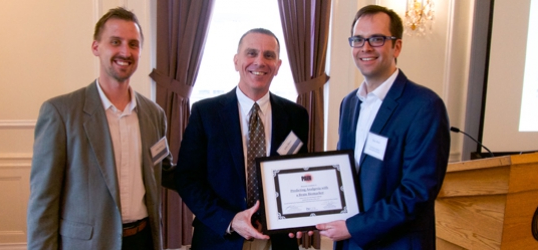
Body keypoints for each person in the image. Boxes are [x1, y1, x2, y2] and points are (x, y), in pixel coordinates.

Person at [27, 7, 174, 250]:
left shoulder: (154, 114)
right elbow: (43, 201)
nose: (125, 51)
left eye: (133, 44)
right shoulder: (60, 112)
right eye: (115, 42)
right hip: (88, 244)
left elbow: (165, 170)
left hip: (143, 240)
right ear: (96, 47)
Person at [316, 5, 450, 249]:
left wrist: (353, 227)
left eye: (376, 39)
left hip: (396, 244)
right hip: (350, 243)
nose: (365, 48)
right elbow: (343, 174)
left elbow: (416, 193)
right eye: (358, 39)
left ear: (396, 46)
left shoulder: (425, 106)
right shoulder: (349, 104)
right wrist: (310, 214)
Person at [175, 28, 309, 250]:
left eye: (269, 55)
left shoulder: (296, 116)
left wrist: (307, 212)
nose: (260, 61)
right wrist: (230, 220)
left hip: (277, 241)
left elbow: (300, 174)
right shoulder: (205, 113)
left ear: (278, 66)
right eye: (251, 53)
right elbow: (187, 179)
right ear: (236, 61)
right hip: (220, 238)